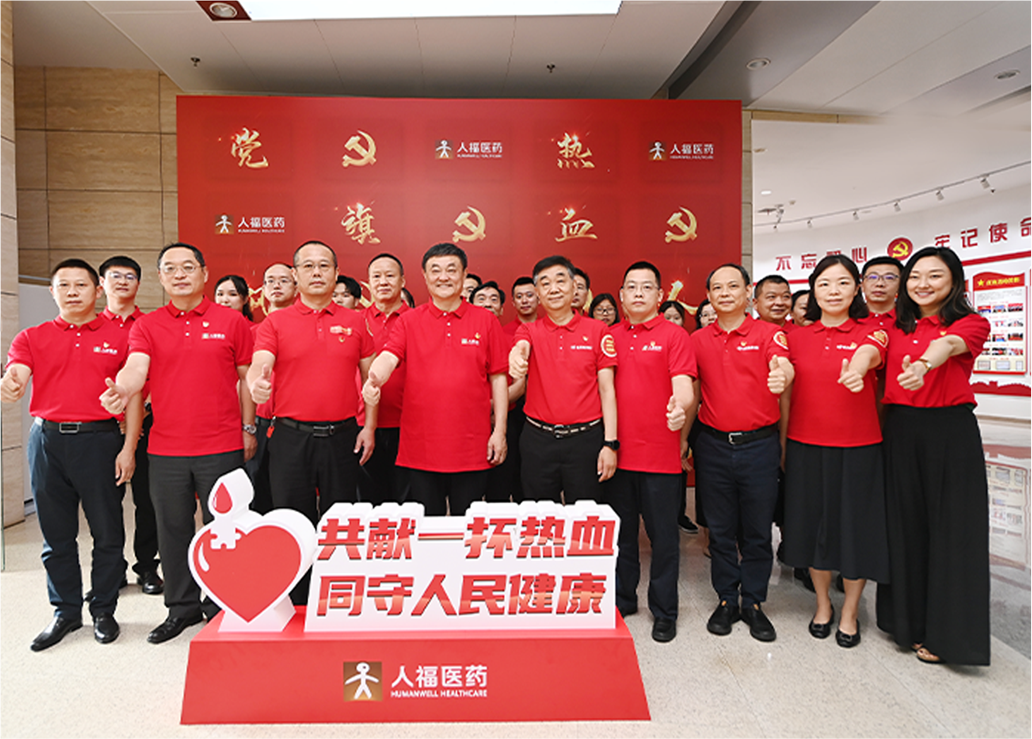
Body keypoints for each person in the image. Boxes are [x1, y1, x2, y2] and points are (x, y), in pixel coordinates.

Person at [101, 243, 256, 645]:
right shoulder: (148, 325)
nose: (180, 274)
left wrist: (249, 427)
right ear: (160, 278)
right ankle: (181, 608)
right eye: (170, 268)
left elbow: (247, 378)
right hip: (166, 449)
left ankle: (222, 605)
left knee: (225, 530)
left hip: (221, 445)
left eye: (188, 267)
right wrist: (121, 389)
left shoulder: (231, 321)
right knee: (172, 530)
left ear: (204, 273)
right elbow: (136, 368)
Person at [2, 259, 142, 651]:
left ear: (97, 290)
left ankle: (104, 609)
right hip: (47, 441)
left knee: (107, 531)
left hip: (100, 440)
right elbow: (17, 373)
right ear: (52, 292)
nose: (72, 292)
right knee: (56, 535)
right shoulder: (32, 337)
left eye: (81, 284)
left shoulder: (121, 336)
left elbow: (133, 397)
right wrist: (10, 383)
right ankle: (65, 611)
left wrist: (129, 448)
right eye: (63, 285)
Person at [877, 246, 991, 666]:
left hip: (949, 432)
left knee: (953, 530)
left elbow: (950, 346)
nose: (923, 284)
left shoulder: (970, 323)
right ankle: (906, 625)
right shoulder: (895, 325)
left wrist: (924, 365)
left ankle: (950, 636)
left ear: (955, 282)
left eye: (935, 276)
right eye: (915, 276)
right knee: (904, 527)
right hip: (900, 429)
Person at [782, 255, 890, 649]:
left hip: (858, 448)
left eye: (842, 283)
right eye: (824, 284)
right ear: (813, 289)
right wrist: (783, 442)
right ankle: (823, 604)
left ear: (856, 288)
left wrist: (857, 369)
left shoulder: (872, 331)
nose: (833, 291)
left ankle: (851, 612)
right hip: (805, 445)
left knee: (854, 531)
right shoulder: (796, 336)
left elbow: (870, 354)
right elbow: (786, 389)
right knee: (814, 530)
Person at [363, 243, 508, 516]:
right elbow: (389, 356)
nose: (443, 277)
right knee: (428, 525)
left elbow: (499, 378)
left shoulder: (486, 321)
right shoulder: (409, 321)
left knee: (469, 524)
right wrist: (374, 379)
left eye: (451, 270)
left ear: (464, 275)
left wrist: (499, 432)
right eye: (436, 270)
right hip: (421, 448)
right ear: (425, 276)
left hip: (472, 446)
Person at [689, 264, 793, 642]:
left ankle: (753, 601)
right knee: (720, 530)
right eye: (717, 288)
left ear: (748, 291)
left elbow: (783, 365)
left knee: (757, 530)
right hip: (713, 444)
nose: (725, 293)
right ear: (709, 296)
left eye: (733, 286)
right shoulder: (697, 339)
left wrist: (782, 375)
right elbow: (692, 393)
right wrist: (684, 438)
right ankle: (726, 598)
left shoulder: (769, 333)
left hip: (759, 446)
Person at [247, 241, 376, 530]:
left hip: (343, 437)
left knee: (341, 524)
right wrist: (256, 384)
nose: (316, 272)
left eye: (323, 266)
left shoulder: (356, 321)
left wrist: (369, 427)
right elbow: (260, 362)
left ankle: (335, 564)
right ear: (295, 274)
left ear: (336, 272)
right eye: (308, 266)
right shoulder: (276, 322)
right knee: (292, 523)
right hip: (290, 437)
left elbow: (372, 381)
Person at [608, 262, 695, 643]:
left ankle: (664, 610)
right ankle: (623, 600)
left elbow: (684, 386)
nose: (638, 293)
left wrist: (680, 407)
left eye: (647, 287)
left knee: (664, 540)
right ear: (622, 295)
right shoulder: (609, 336)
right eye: (631, 287)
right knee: (622, 536)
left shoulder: (674, 336)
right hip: (617, 455)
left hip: (660, 456)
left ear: (660, 295)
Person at [509, 255, 617, 503]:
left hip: (585, 440)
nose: (554, 289)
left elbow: (607, 390)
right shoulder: (529, 330)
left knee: (586, 515)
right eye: (545, 283)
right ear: (538, 292)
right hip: (538, 439)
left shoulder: (597, 330)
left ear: (574, 286)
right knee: (540, 515)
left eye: (560, 281)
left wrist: (610, 443)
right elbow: (521, 347)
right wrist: (517, 355)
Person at [98, 256, 162, 597]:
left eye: (130, 276)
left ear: (139, 283)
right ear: (101, 283)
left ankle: (147, 566)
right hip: (101, 427)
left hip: (149, 423)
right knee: (105, 503)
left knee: (148, 500)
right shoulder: (90, 326)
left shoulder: (152, 326)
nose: (122, 281)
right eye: (115, 276)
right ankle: (112, 569)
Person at [246, 263, 298, 514]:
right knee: (257, 491)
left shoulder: (305, 330)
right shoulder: (252, 333)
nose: (276, 285)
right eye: (270, 281)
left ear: (297, 287)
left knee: (290, 496)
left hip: (294, 425)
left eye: (284, 280)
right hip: (260, 421)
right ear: (263, 290)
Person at [359, 253, 410, 505]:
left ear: (403, 281)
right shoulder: (356, 321)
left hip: (410, 425)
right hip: (365, 425)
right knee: (369, 501)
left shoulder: (417, 320)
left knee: (408, 501)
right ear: (368, 282)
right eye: (376, 276)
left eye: (390, 275)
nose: (383, 281)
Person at [660, 299, 699, 535]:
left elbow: (688, 388)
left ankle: (678, 514)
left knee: (677, 474)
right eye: (668, 317)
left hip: (680, 420)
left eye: (677, 317)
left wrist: (683, 433)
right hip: (654, 424)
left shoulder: (684, 342)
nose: (672, 322)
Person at [860, 256, 903, 328]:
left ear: (901, 285)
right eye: (872, 277)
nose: (879, 284)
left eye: (889, 278)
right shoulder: (848, 319)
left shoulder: (913, 319)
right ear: (862, 285)